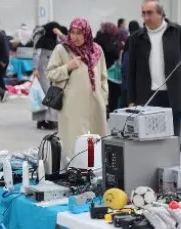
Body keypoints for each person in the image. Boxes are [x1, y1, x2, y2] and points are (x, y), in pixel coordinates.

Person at [127, 0, 181, 141]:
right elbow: (131, 71)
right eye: (143, 14)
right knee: (149, 142)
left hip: (173, 95)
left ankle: (173, 163)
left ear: (161, 14)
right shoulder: (135, 38)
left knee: (173, 141)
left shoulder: (178, 33)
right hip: (147, 97)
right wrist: (131, 99)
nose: (146, 18)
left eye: (150, 13)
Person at [46, 18, 108, 163]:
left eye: (79, 33)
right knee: (73, 142)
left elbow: (104, 77)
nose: (75, 37)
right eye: (72, 32)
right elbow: (50, 73)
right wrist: (67, 67)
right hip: (72, 106)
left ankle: (95, 172)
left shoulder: (97, 50)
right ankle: (73, 173)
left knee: (96, 142)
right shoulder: (62, 49)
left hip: (95, 105)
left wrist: (103, 98)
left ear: (86, 33)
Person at [32, 22, 65, 130]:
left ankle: (51, 120)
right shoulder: (42, 39)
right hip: (43, 68)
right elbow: (36, 54)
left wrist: (59, 34)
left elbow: (68, 43)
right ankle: (43, 119)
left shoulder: (57, 40)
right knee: (44, 94)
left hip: (53, 68)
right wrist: (35, 68)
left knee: (53, 93)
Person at [95, 22, 124, 114]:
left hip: (96, 69)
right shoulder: (109, 40)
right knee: (111, 92)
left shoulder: (97, 39)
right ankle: (108, 110)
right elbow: (113, 53)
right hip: (109, 70)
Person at [120, 20, 140, 107]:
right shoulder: (137, 39)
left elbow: (124, 67)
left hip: (127, 85)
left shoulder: (129, 40)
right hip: (135, 85)